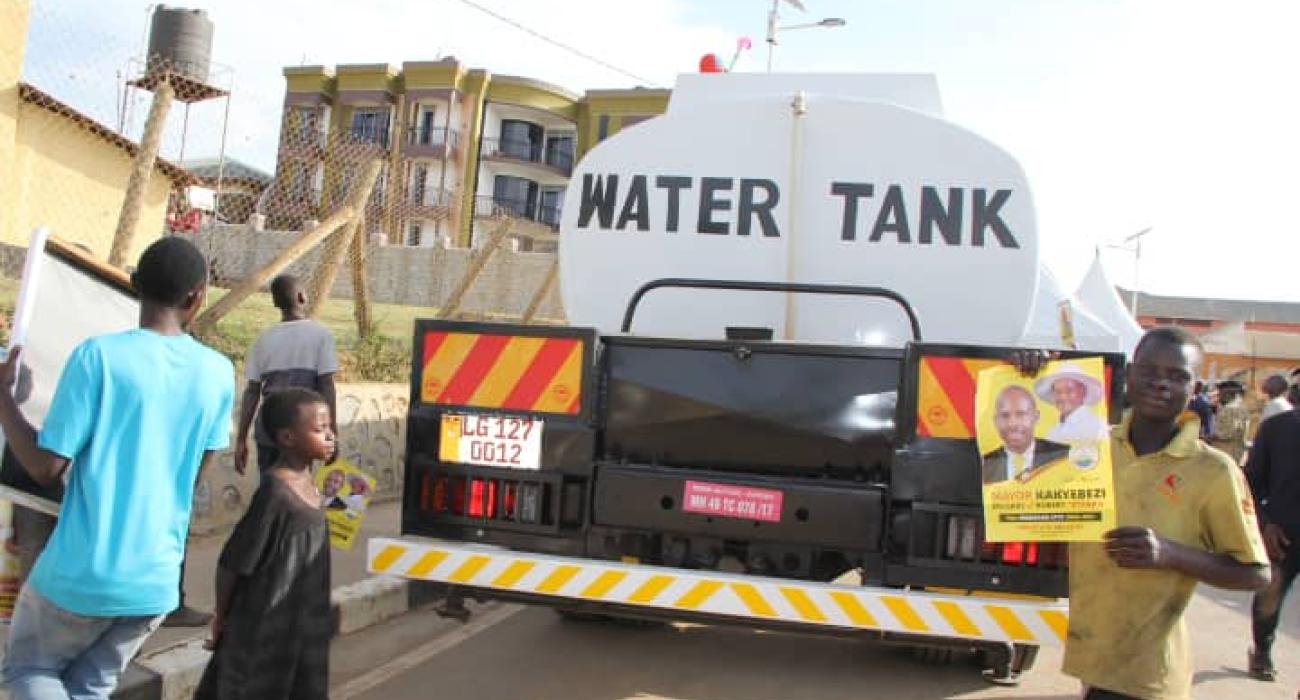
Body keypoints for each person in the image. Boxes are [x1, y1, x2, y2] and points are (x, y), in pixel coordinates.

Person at [0, 237, 235, 698]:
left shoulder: (98, 357)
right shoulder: (218, 372)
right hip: (154, 584)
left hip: (81, 573)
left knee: (29, 670)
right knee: (93, 685)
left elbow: (46, 468)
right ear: (198, 297)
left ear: (134, 284)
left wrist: (5, 400)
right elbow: (193, 475)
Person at [1017, 327, 1269, 700]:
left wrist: (1170, 554)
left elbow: (1256, 574)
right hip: (1096, 665)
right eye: (1150, 371)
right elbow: (1019, 443)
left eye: (1177, 376)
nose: (1160, 383)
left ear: (1194, 388)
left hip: (1150, 674)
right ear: (1130, 375)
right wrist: (1029, 374)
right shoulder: (1091, 448)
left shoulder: (1213, 472)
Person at [196, 388, 332, 700]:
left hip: (303, 626)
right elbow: (232, 562)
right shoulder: (275, 494)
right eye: (319, 429)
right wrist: (221, 617)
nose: (330, 436)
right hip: (266, 628)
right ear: (287, 437)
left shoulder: (310, 485)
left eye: (329, 428)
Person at [234, 274, 338, 475]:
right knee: (299, 484)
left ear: (275, 303)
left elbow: (252, 391)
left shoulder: (263, 339)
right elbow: (326, 385)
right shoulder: (321, 335)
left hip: (269, 430)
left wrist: (241, 439)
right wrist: (331, 431)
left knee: (270, 484)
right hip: (304, 431)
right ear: (302, 297)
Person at [1244, 394, 1299, 683]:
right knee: (1270, 595)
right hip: (1283, 537)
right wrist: (1264, 524)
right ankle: (1262, 652)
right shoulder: (1277, 428)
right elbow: (1249, 484)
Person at [981, 385, 1070, 484]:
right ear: (996, 420)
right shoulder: (983, 465)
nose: (1012, 424)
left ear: (1036, 417)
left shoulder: (1064, 457)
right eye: (1005, 416)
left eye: (1021, 414)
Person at [1034, 361, 1108, 443]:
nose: (1063, 396)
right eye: (1058, 391)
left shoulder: (1097, 426)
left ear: (1083, 392)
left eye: (1069, 390)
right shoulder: (1054, 431)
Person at [1211, 379, 1250, 464]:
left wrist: (1206, 438)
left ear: (1228, 394)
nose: (1219, 397)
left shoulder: (1229, 409)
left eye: (1220, 394)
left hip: (1225, 455)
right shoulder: (1242, 408)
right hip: (1236, 454)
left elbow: (1225, 435)